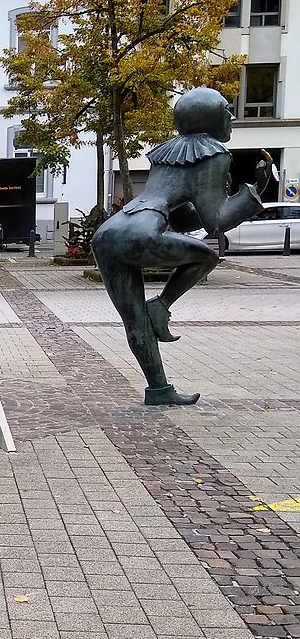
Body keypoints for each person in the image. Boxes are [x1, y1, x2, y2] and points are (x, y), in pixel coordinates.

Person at [91, 87, 271, 405]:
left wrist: (220, 194)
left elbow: (184, 219)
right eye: (226, 111)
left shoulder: (167, 154)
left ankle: (159, 390)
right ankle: (161, 306)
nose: (231, 117)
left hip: (109, 234)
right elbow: (215, 221)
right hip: (139, 234)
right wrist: (256, 190)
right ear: (209, 118)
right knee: (206, 256)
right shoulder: (214, 153)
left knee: (134, 320)